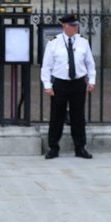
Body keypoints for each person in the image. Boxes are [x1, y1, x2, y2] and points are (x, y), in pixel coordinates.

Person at [40, 13, 96, 159]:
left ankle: (80, 147)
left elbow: (90, 63)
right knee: (56, 116)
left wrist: (92, 80)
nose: (75, 27)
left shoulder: (83, 42)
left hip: (78, 83)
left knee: (78, 116)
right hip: (60, 83)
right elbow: (46, 66)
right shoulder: (54, 43)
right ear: (64, 26)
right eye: (72, 25)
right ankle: (53, 147)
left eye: (76, 25)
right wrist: (47, 85)